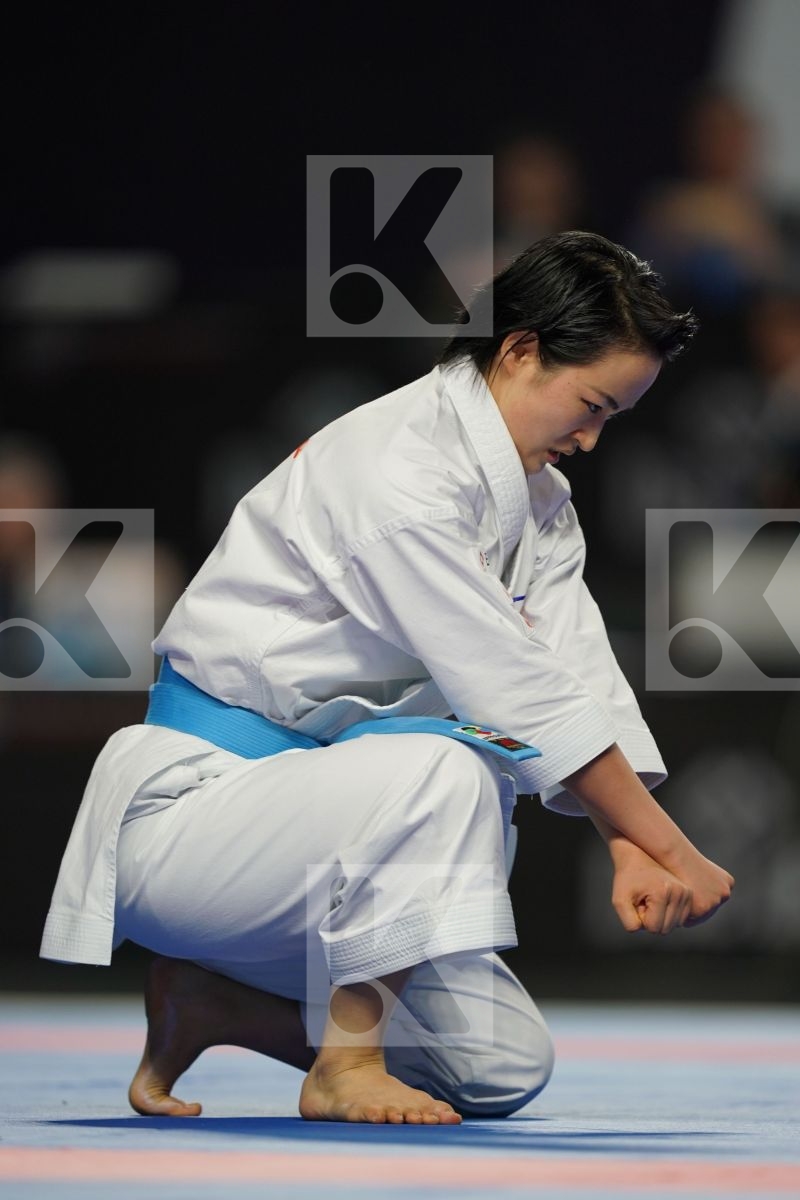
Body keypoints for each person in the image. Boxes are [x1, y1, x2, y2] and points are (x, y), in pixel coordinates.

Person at [41, 231, 734, 1126]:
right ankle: (346, 1065)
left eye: (615, 417)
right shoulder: (400, 467)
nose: (594, 439)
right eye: (592, 404)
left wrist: (626, 838)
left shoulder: (538, 505)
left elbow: (575, 673)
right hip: (198, 812)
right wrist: (673, 846)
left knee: (498, 1065)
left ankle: (214, 1004)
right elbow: (513, 691)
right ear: (520, 350)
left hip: (321, 827)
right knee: (454, 765)